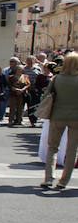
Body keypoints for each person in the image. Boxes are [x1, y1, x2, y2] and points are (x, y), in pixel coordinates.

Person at [40, 52, 78, 190]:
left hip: (57, 115)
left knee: (53, 147)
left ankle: (49, 178)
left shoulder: (56, 79)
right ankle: (64, 181)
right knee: (72, 149)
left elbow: (46, 95)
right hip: (76, 118)